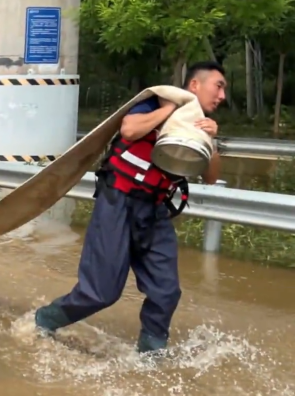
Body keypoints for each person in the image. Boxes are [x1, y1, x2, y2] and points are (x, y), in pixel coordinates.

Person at [34, 61, 227, 353]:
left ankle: (150, 359)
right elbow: (130, 130)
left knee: (166, 291)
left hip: (155, 211)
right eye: (219, 86)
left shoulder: (202, 127)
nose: (222, 95)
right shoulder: (156, 101)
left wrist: (211, 141)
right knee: (100, 292)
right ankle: (43, 321)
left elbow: (211, 177)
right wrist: (168, 112)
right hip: (118, 202)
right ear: (195, 85)